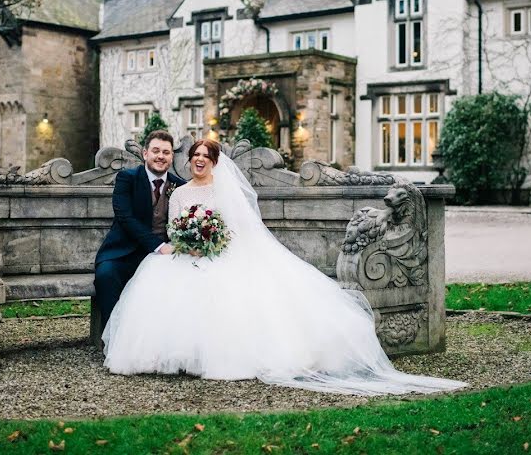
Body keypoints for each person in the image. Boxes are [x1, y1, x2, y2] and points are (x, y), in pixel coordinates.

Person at [102, 138, 466, 395]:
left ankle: (216, 356)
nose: (198, 159)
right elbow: (175, 227)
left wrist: (211, 245)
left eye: (205, 155)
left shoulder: (223, 191)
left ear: (214, 161)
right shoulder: (178, 192)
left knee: (225, 290)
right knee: (162, 282)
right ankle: (170, 355)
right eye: (194, 155)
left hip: (222, 253)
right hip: (185, 254)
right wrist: (189, 244)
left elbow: (239, 230)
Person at [93, 130, 186, 331]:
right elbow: (126, 218)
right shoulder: (127, 178)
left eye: (166, 152)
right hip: (124, 252)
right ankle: (114, 340)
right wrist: (159, 246)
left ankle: (166, 339)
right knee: (106, 276)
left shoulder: (179, 186)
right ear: (145, 154)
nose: (161, 156)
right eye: (156, 151)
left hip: (164, 257)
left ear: (171, 157)